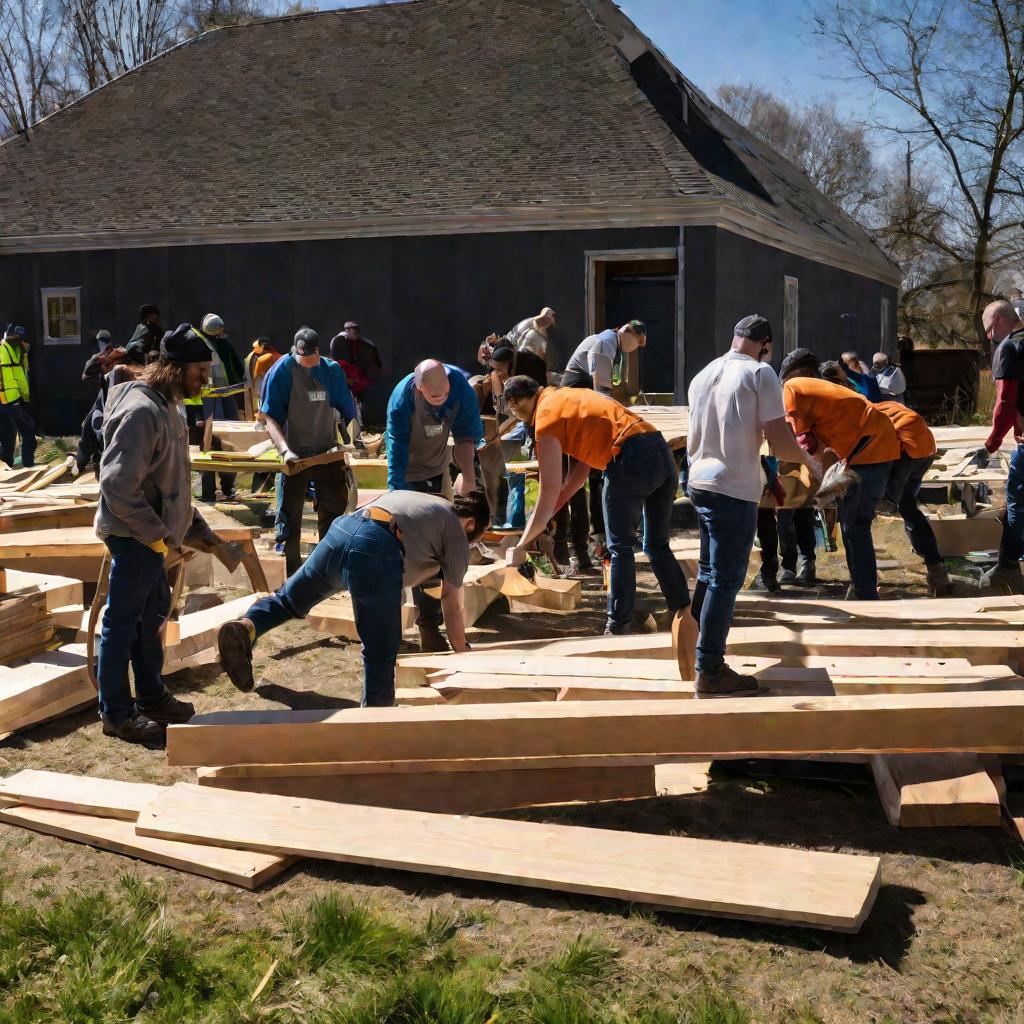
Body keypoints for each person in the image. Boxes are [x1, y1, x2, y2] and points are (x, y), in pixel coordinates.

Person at [217, 490, 490, 706]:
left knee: (288, 600)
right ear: (470, 524)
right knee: (381, 652)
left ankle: (246, 627)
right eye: (477, 538)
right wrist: (463, 653)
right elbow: (451, 603)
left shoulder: (426, 503)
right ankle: (373, 727)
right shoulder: (455, 531)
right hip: (375, 547)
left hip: (343, 531)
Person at [94, 324, 222, 747]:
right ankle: (117, 713)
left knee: (151, 618)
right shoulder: (141, 412)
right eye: (201, 371)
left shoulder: (170, 402)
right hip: (132, 534)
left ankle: (150, 697)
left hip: (151, 534)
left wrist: (191, 526)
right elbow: (117, 488)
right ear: (176, 368)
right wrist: (159, 534)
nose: (206, 379)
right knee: (122, 623)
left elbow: (170, 478)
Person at [686, 317, 820, 695]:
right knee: (726, 579)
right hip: (732, 487)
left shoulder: (704, 372)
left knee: (711, 574)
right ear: (767, 345)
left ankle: (695, 653)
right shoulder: (761, 374)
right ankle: (710, 669)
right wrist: (810, 464)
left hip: (700, 481)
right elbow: (780, 440)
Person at [501, 376, 688, 637]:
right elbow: (579, 472)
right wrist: (550, 513)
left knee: (619, 546)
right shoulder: (566, 397)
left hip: (628, 456)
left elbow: (548, 489)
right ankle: (683, 611)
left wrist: (520, 545)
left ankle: (618, 625)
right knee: (656, 544)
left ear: (514, 402)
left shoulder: (545, 416)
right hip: (659, 449)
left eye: (511, 408)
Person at [780, 348, 900, 600]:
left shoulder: (792, 388)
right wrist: (824, 484)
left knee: (854, 524)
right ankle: (861, 586)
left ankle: (865, 592)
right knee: (853, 523)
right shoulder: (822, 397)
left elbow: (796, 440)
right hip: (876, 444)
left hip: (870, 448)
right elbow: (821, 448)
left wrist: (813, 478)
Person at [385, 359, 484, 650]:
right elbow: (396, 449)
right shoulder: (402, 399)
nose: (439, 402)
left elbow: (466, 435)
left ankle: (441, 623)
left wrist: (467, 477)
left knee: (446, 544)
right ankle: (426, 626)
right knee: (418, 550)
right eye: (432, 397)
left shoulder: (461, 390)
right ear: (419, 388)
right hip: (407, 475)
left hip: (439, 471)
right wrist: (399, 498)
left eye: (443, 395)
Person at [261, 327, 355, 576]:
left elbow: (348, 412)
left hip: (326, 453)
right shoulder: (283, 370)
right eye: (300, 358)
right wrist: (284, 451)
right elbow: (269, 417)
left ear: (318, 352)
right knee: (290, 516)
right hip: (295, 456)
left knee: (334, 508)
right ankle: (292, 573)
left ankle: (329, 570)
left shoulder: (331, 371)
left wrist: (351, 439)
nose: (305, 363)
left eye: (309, 358)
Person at [560, 320, 648, 558]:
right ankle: (582, 546)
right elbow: (601, 389)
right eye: (637, 342)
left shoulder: (613, 345)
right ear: (627, 331)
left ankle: (597, 539)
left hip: (583, 405)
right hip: (577, 406)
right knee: (581, 478)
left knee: (591, 476)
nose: (635, 348)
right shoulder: (605, 343)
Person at [876, 401, 952, 596]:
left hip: (908, 451)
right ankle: (938, 572)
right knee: (908, 508)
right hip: (926, 448)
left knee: (871, 509)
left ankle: (865, 582)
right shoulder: (880, 405)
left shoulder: (857, 413)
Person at [981, 299, 1024, 591]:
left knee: (1017, 501)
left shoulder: (1010, 347)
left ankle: (1008, 567)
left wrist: (992, 442)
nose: (988, 337)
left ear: (998, 321)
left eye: (988, 329)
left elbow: (1006, 402)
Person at [329, 322, 383, 430]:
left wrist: (356, 380)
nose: (352, 332)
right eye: (350, 329)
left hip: (356, 382)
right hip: (344, 380)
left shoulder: (366, 345)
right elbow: (336, 362)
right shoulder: (339, 341)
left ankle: (357, 429)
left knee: (356, 406)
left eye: (355, 329)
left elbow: (371, 370)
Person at [0, 324, 35, 468]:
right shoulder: (4, 350)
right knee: (26, 430)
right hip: (9, 400)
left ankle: (8, 464)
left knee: (9, 434)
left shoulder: (18, 350)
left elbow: (20, 375)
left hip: (14, 399)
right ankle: (26, 464)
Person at [478, 308, 557, 368]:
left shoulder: (517, 334)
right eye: (486, 358)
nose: (486, 354)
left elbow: (540, 319)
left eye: (487, 347)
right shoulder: (509, 367)